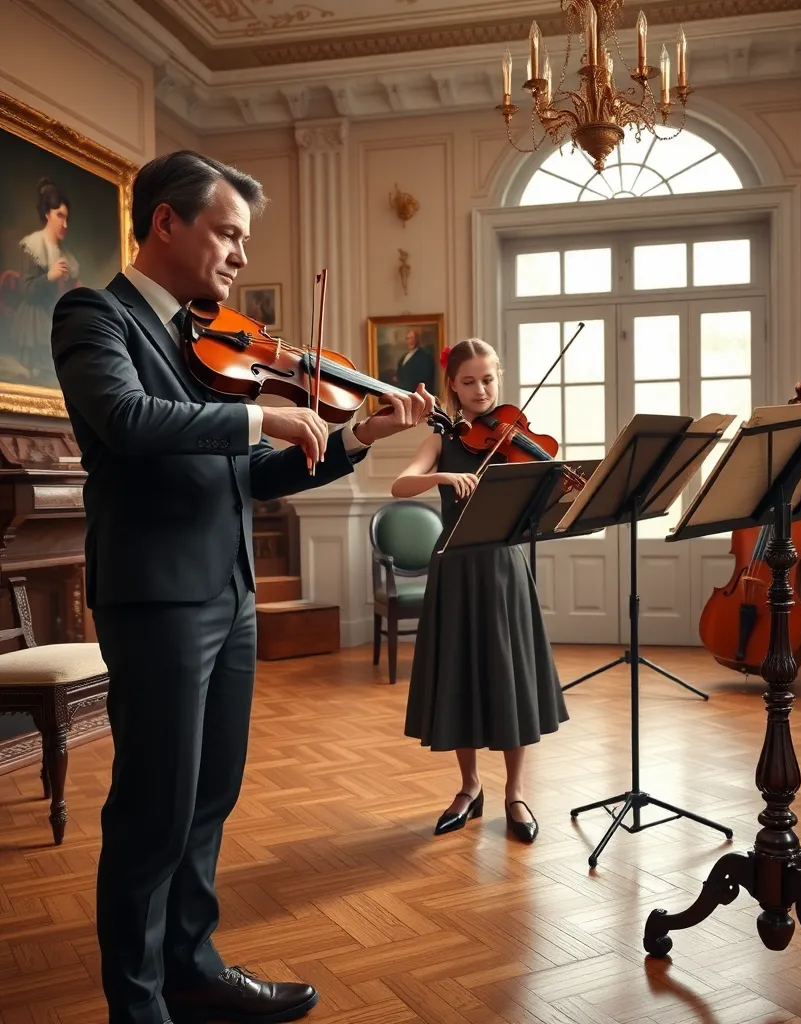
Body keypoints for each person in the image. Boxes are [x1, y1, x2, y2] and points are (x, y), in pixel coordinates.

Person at [50, 150, 432, 1024]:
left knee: (211, 795)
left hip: (228, 596)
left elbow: (251, 476)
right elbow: (129, 421)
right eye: (228, 233)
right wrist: (266, 412)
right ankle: (138, 1005)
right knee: (154, 807)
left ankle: (192, 966)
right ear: (164, 224)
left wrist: (355, 438)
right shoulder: (94, 316)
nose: (239, 255)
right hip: (156, 600)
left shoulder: (201, 335)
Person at [392, 338, 568, 845]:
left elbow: (545, 499)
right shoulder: (443, 439)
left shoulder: (511, 436)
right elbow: (400, 485)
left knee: (509, 678)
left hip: (503, 567)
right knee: (459, 677)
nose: (479, 390)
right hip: (454, 568)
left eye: (487, 379)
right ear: (452, 384)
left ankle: (514, 793)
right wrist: (444, 475)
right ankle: (469, 788)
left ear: (499, 378)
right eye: (468, 381)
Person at [11, 177, 79, 379]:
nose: (64, 224)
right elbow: (25, 288)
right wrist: (49, 276)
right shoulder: (33, 246)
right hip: (35, 321)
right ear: (48, 214)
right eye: (60, 216)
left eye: (67, 218)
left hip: (56, 320)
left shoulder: (66, 255)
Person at [393, 327, 436, 395]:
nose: (410, 341)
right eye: (408, 338)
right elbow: (400, 374)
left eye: (412, 338)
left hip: (415, 395)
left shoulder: (424, 356)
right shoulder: (404, 357)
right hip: (403, 393)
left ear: (417, 339)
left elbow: (425, 380)